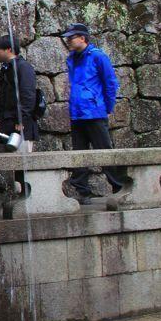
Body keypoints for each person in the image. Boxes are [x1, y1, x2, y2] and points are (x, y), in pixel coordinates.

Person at [62, 23, 125, 203]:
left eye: (71, 37)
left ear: (83, 38)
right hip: (77, 112)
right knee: (79, 154)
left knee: (105, 152)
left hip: (95, 112)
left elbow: (110, 83)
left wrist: (107, 107)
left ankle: (119, 186)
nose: (68, 41)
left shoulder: (98, 56)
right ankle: (83, 192)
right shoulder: (72, 58)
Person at [0, 35, 38, 153]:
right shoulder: (7, 68)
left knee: (22, 164)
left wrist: (21, 119)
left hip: (20, 125)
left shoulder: (23, 67)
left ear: (8, 49)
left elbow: (28, 95)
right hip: (7, 123)